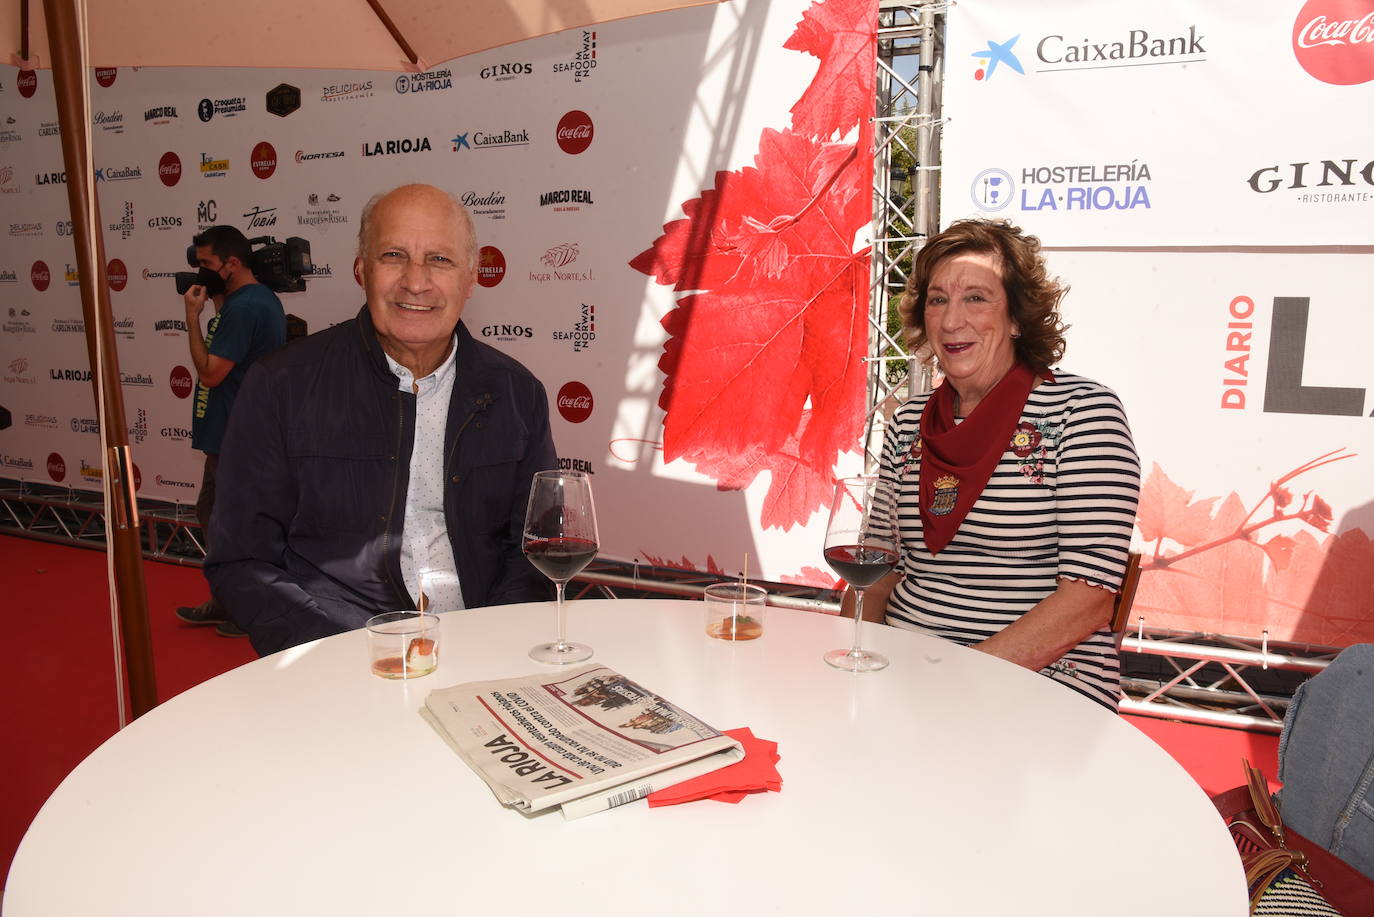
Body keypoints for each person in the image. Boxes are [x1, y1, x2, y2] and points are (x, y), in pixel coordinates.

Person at [204, 184, 556, 656]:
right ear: (361, 270)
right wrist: (329, 655)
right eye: (393, 255)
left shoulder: (518, 393)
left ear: (471, 280)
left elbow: (535, 550)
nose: (416, 281)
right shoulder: (281, 385)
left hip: (481, 646)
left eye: (440, 259)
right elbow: (242, 559)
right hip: (335, 652)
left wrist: (491, 642)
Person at [853, 218, 1140, 710]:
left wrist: (955, 684)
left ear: (1016, 318)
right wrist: (854, 661)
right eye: (938, 299)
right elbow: (877, 573)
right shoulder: (908, 423)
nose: (951, 320)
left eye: (976, 298)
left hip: (1041, 682)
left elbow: (1088, 600)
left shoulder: (1080, 413)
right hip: (907, 672)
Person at [176, 226, 287, 637]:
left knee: (237, 528)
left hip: (240, 438)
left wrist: (191, 318)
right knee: (215, 516)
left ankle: (248, 608)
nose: (199, 272)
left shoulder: (246, 308)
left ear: (232, 264)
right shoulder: (246, 302)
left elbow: (210, 373)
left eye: (206, 264)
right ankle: (228, 601)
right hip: (230, 434)